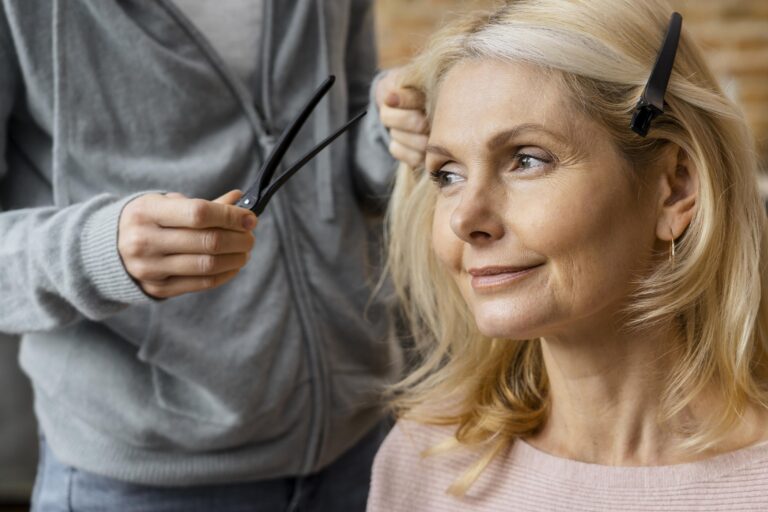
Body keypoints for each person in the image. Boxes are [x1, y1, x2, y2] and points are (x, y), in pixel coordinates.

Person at [0, 1, 428, 510]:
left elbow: (346, 138)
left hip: (362, 438)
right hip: (144, 478)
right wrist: (96, 250)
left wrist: (392, 135)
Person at [367, 0, 768, 510]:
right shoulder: (424, 459)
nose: (464, 220)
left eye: (527, 160)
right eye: (448, 173)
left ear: (675, 187)